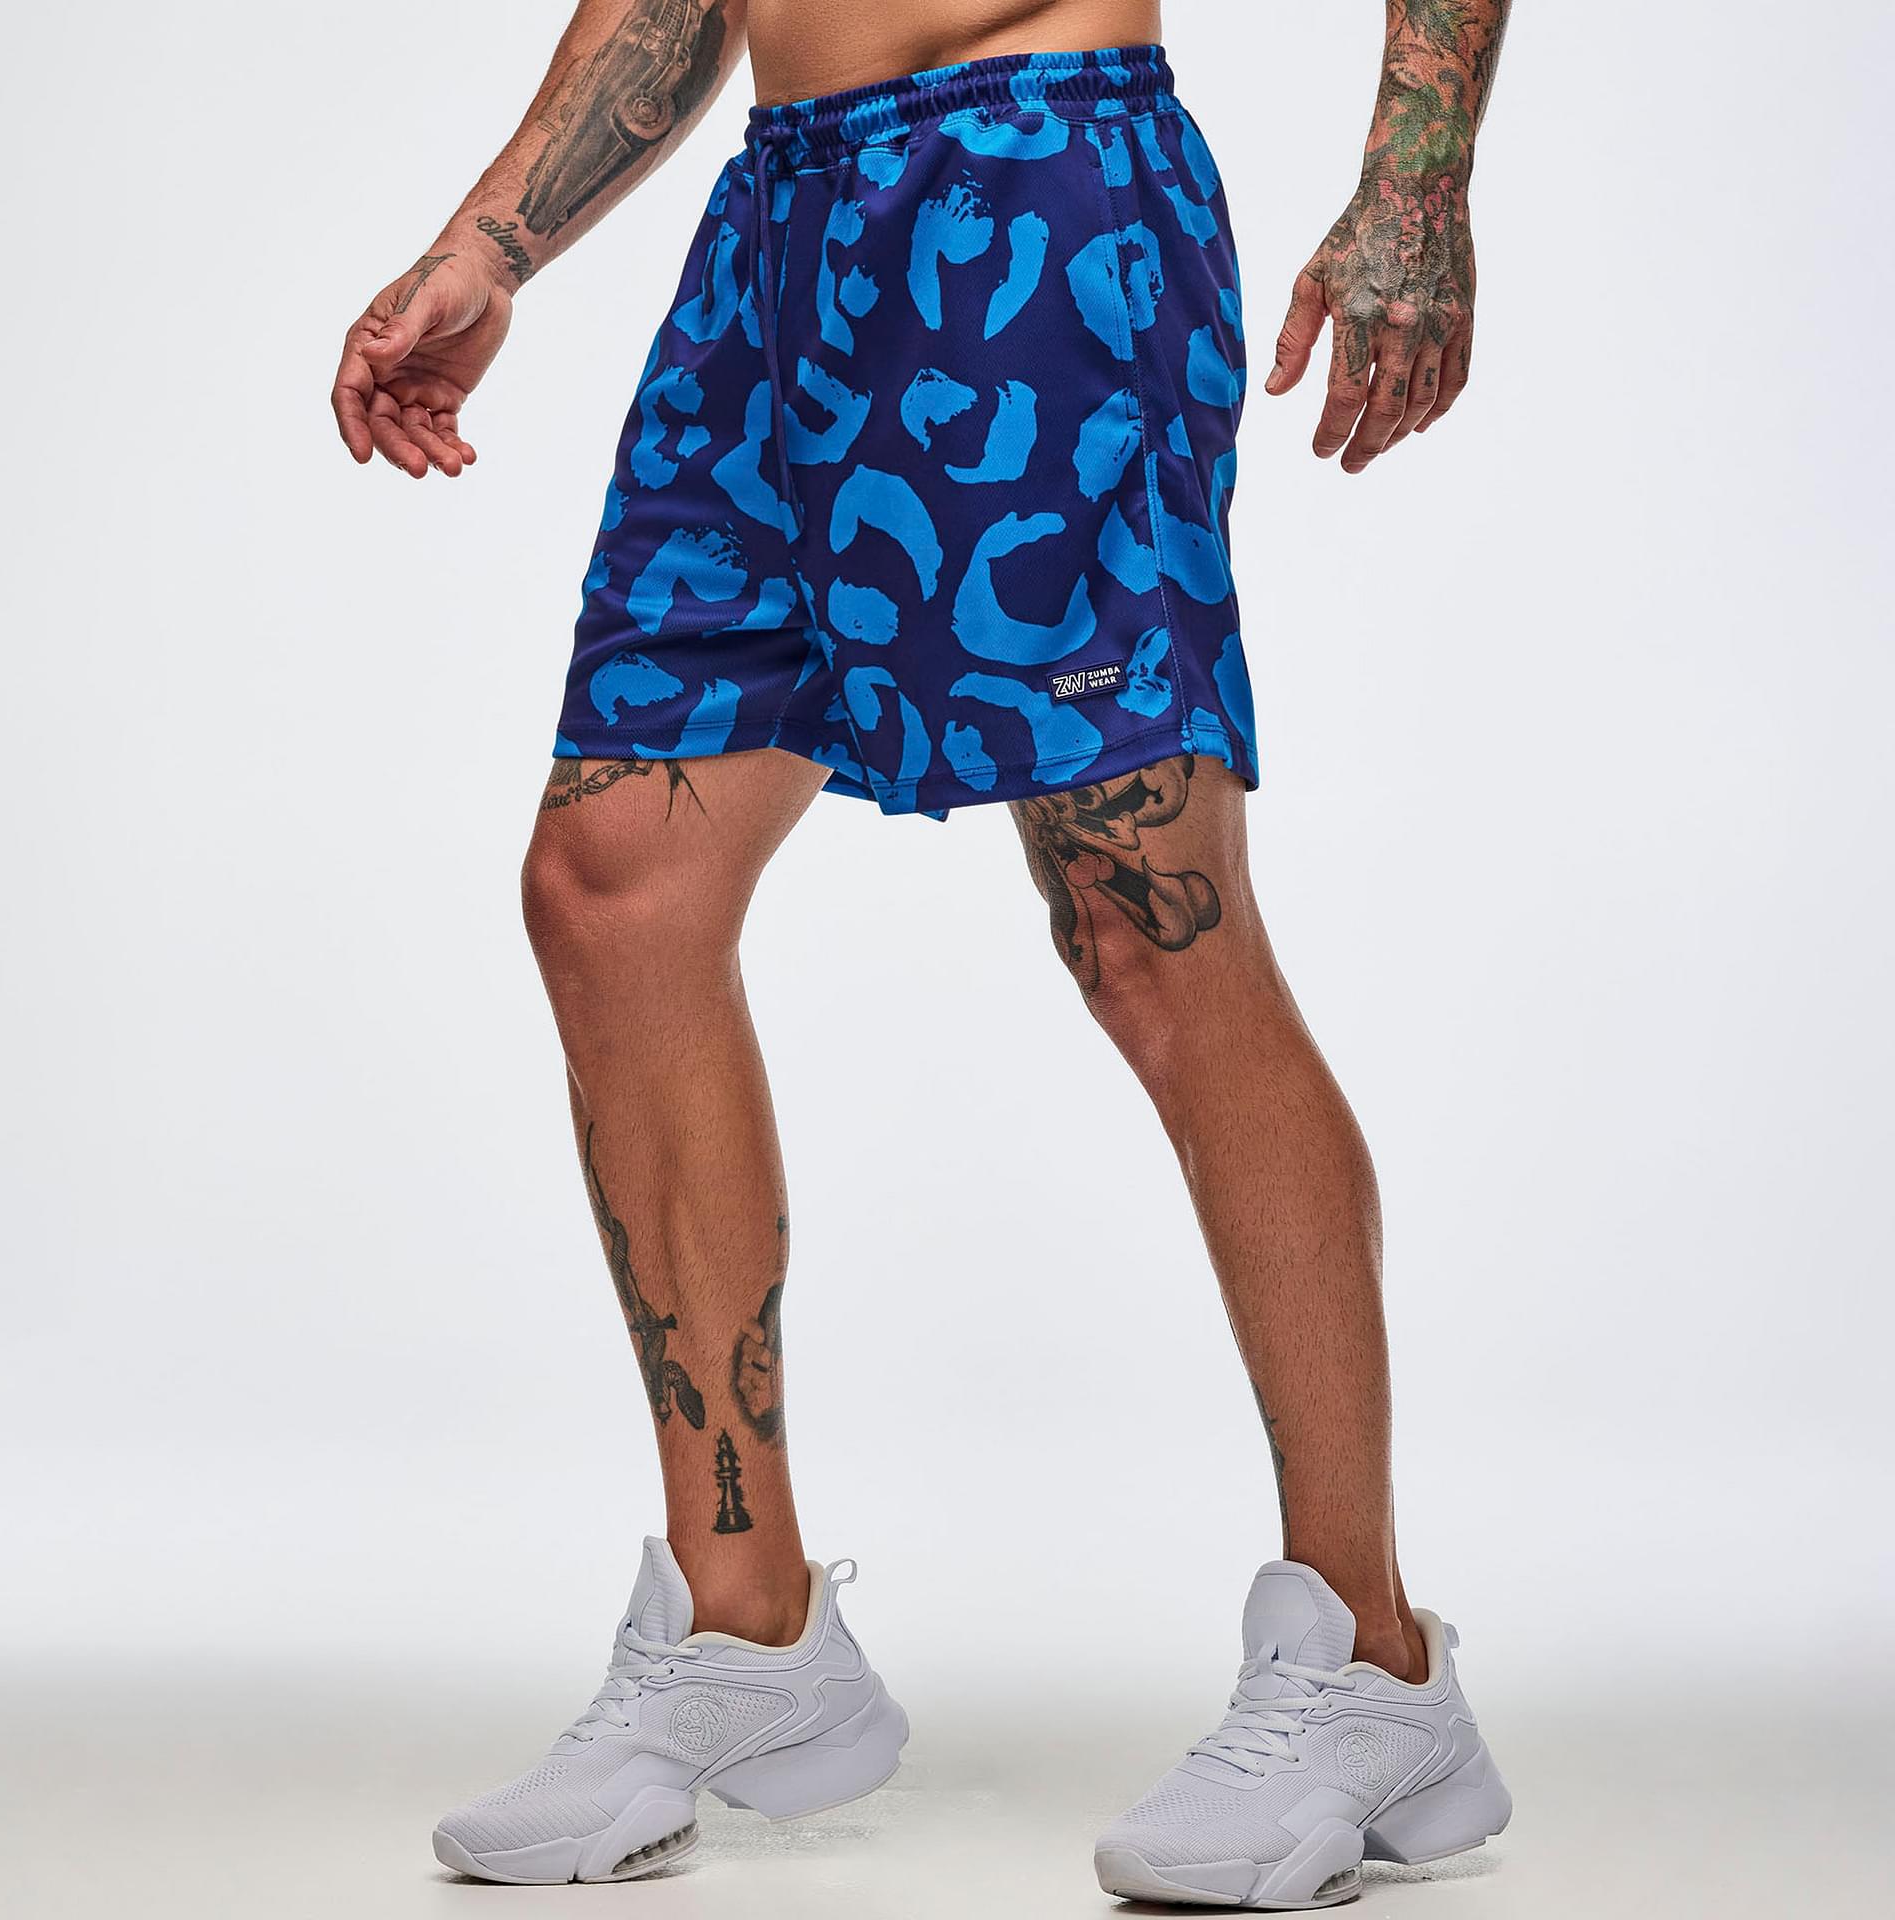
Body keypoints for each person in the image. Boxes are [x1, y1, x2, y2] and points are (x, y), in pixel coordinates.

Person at [332, 0, 1514, 1906]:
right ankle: (748, 1635)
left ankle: (1372, 1663)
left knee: (1148, 928)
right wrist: (493, 240)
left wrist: (1417, 175)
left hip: (1038, 188)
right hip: (783, 231)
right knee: (615, 880)